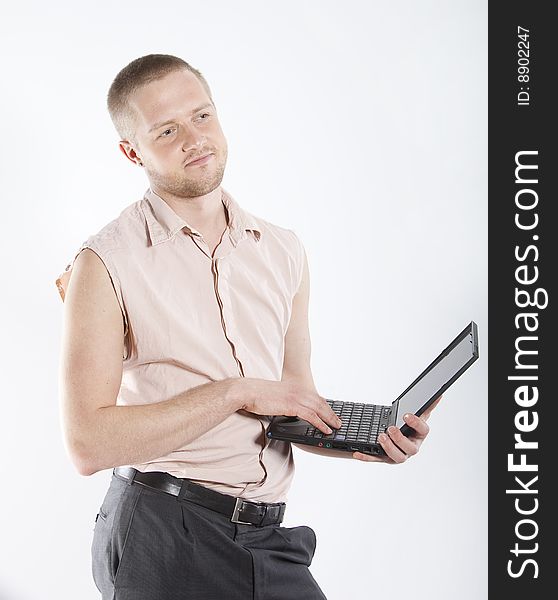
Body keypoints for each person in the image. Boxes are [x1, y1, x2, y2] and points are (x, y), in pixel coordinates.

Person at [55, 54, 440, 600]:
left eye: (202, 116)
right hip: (162, 533)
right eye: (167, 130)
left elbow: (292, 401)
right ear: (131, 151)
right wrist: (236, 392)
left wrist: (364, 439)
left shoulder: (282, 251)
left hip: (267, 536)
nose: (195, 139)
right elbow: (87, 445)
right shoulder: (105, 263)